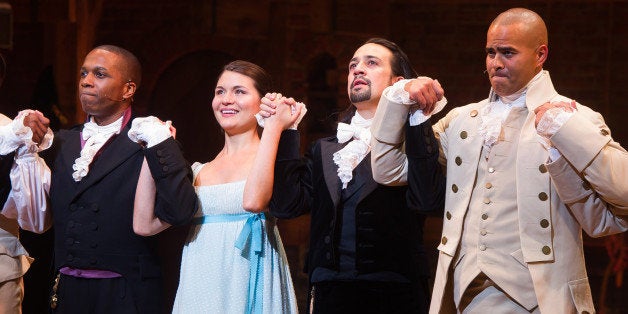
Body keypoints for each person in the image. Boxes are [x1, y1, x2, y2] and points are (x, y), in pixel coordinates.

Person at [371, 8, 628, 314]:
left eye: (508, 52)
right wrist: (399, 97)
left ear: (540, 54)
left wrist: (567, 131)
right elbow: (389, 170)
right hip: (464, 292)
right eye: (490, 52)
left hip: (539, 295)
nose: (495, 62)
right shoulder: (462, 121)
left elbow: (621, 198)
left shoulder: (574, 117)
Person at [258, 38, 445, 313]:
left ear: (398, 82)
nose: (357, 70)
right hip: (329, 292)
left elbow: (428, 200)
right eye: (352, 65)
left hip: (395, 292)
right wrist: (287, 131)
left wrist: (415, 114)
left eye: (371, 63)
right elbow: (286, 206)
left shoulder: (414, 140)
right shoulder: (324, 148)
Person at [8, 44, 199, 313]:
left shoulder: (149, 138)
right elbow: (37, 218)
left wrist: (162, 145)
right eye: (83, 74)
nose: (86, 81)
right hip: (69, 293)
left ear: (128, 89)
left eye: (99, 74)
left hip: (125, 293)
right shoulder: (63, 142)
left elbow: (180, 210)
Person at [135, 60, 301, 313]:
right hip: (201, 283)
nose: (226, 99)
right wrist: (153, 148)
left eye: (239, 91)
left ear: (262, 103)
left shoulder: (269, 161)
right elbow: (144, 224)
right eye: (220, 91)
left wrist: (274, 127)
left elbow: (253, 201)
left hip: (248, 276)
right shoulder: (199, 171)